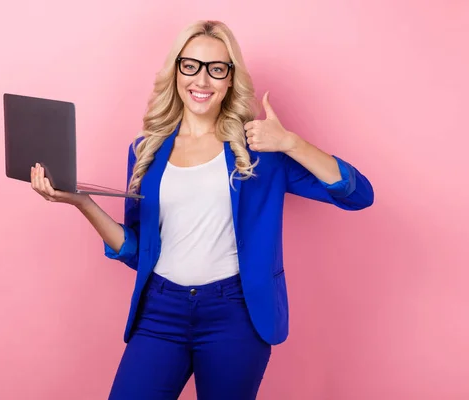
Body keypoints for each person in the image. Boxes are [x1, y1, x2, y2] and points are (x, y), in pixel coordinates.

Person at [30, 20, 374, 400]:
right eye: (191, 65)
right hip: (160, 311)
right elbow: (136, 250)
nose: (203, 80)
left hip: (235, 315)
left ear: (230, 80)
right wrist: (81, 201)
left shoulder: (258, 148)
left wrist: (290, 142)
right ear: (176, 71)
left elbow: (357, 195)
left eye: (216, 69)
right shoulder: (146, 150)